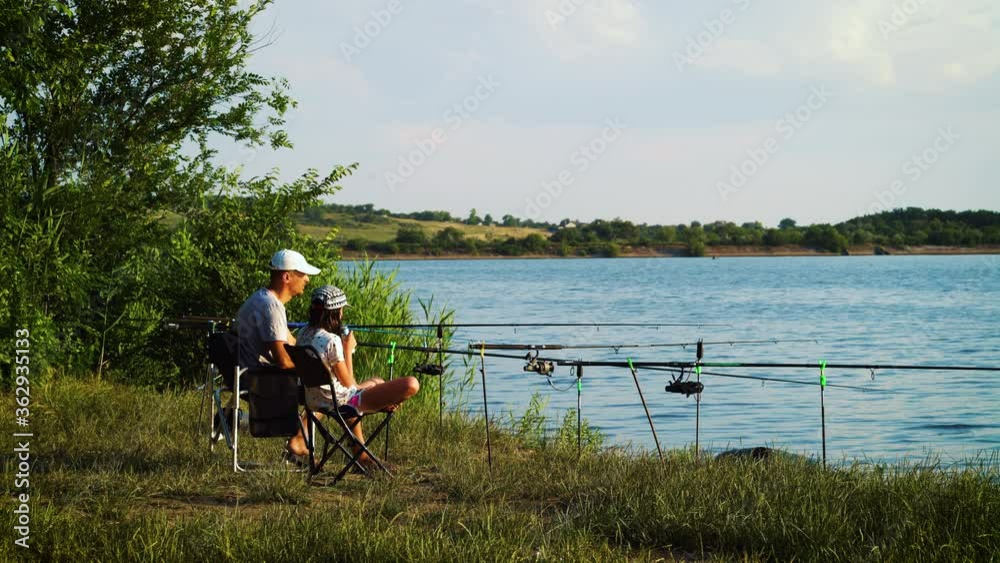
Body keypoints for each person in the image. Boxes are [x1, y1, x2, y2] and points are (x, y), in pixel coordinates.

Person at [296, 284, 420, 467]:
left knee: (377, 381)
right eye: (342, 310)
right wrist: (348, 350)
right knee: (411, 384)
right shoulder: (332, 340)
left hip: (314, 400)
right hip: (341, 403)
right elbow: (350, 385)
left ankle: (361, 455)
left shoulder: (303, 334)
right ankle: (362, 456)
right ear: (336, 312)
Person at [230, 249, 319, 455]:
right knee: (324, 387)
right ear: (287, 277)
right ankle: (299, 441)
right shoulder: (272, 307)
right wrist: (317, 368)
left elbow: (291, 343)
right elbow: (283, 361)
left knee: (322, 376)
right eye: (302, 274)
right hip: (257, 380)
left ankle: (234, 418)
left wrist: (316, 353)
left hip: (242, 374)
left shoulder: (262, 299)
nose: (307, 279)